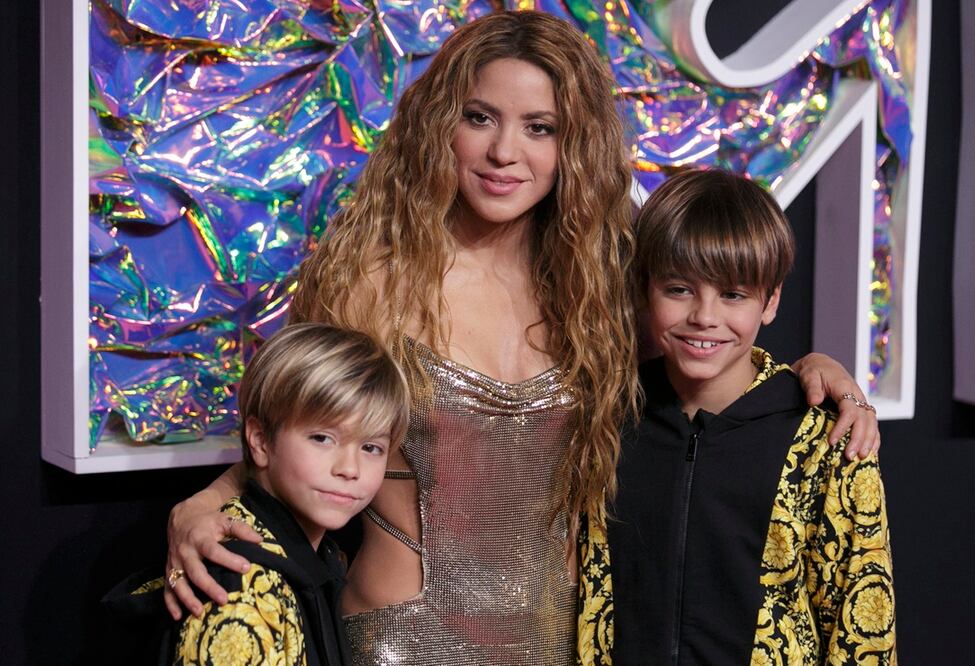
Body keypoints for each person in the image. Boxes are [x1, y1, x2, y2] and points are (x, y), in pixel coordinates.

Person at [161, 11, 882, 665]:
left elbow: (708, 343)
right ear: (442, 122)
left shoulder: (605, 286)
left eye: (540, 127)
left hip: (567, 638)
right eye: (480, 118)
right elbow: (293, 430)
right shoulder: (369, 282)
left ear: (574, 144)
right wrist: (205, 502)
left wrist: (813, 373)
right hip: (403, 638)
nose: (505, 151)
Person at [609, 169, 894, 664]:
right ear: (643, 288)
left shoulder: (824, 439)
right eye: (678, 289)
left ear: (771, 300)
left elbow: (862, 629)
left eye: (733, 295)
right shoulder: (606, 420)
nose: (704, 315)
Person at [105, 323, 410, 664]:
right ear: (260, 440)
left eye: (371, 447)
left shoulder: (320, 554)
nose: (350, 468)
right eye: (323, 438)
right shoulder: (239, 589)